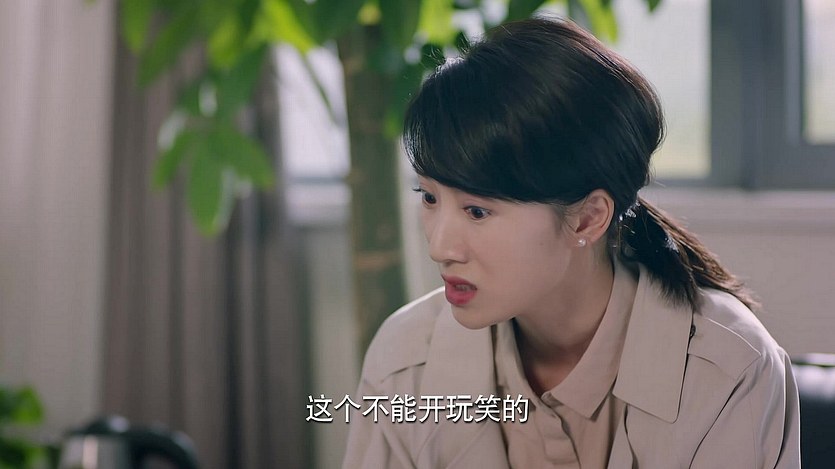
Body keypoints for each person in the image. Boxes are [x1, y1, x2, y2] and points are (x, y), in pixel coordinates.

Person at [342, 16, 800, 469]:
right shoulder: (406, 358)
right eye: (429, 197)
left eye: (477, 211)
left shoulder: (728, 370)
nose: (440, 248)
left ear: (587, 219)